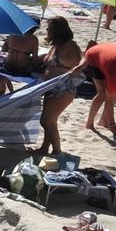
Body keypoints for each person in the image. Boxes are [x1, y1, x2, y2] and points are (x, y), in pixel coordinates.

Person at [35, 17, 81, 155]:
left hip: (64, 89)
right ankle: (45, 148)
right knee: (51, 121)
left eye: (49, 28)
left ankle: (57, 151)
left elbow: (79, 64)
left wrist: (61, 65)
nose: (47, 30)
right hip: (51, 87)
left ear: (57, 30)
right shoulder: (56, 45)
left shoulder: (70, 45)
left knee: (45, 121)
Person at [70, 42, 116, 139]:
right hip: (93, 57)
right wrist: (112, 124)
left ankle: (103, 121)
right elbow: (109, 101)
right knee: (102, 94)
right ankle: (90, 123)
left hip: (109, 55)